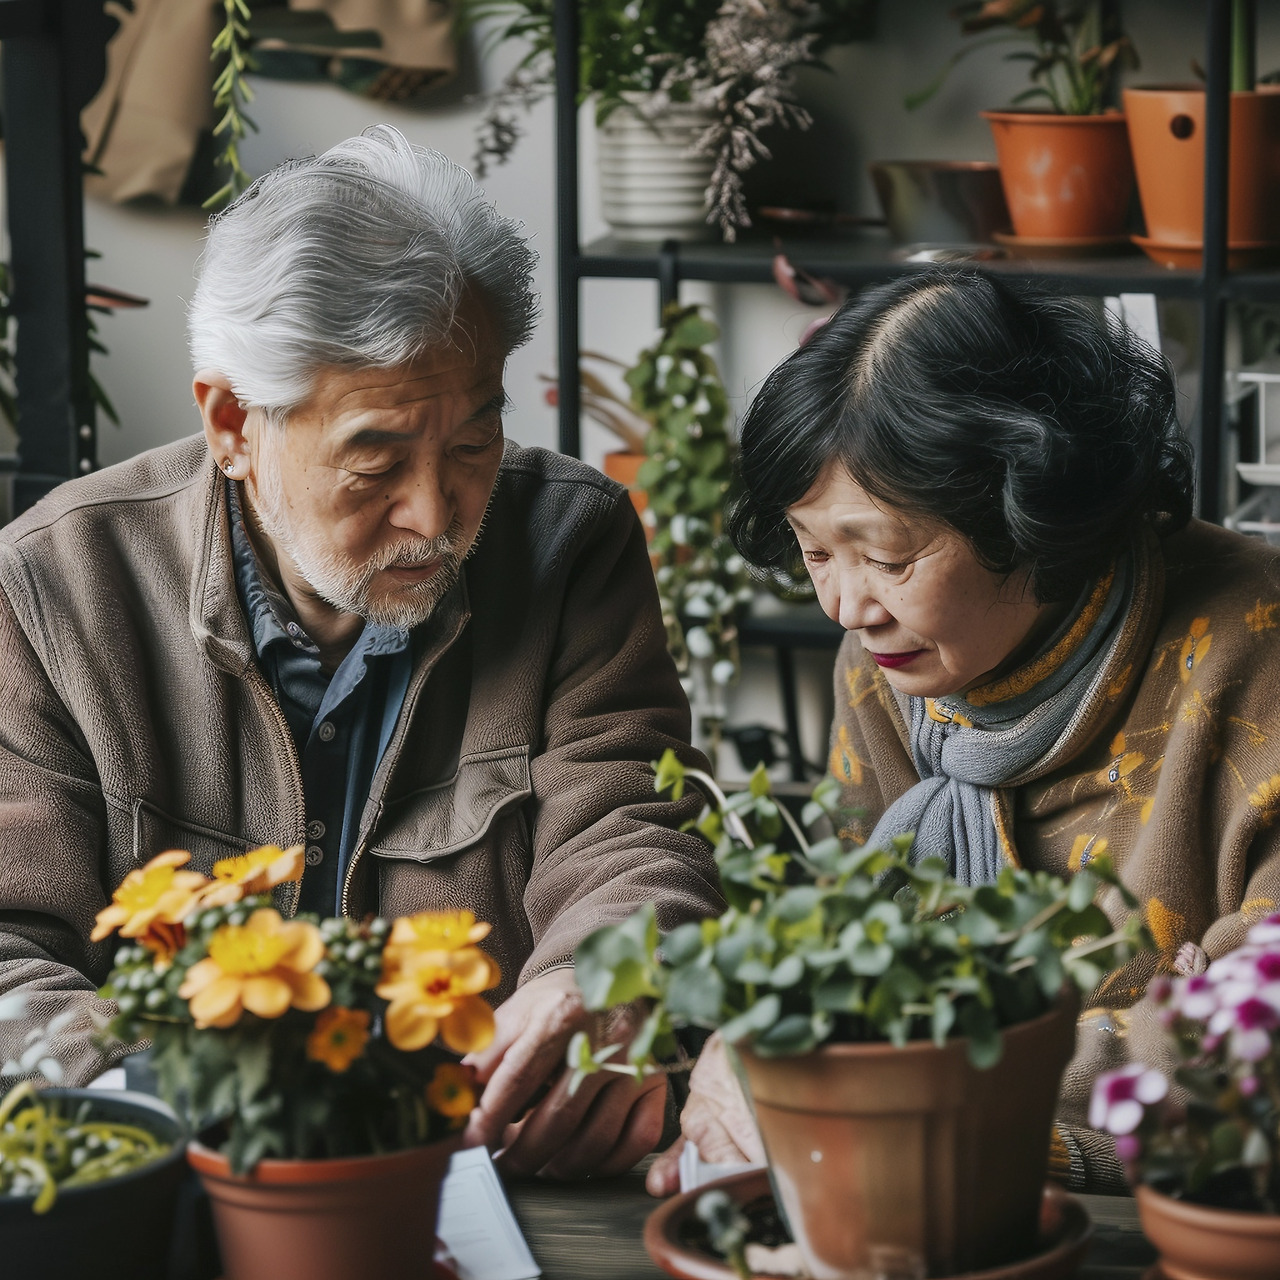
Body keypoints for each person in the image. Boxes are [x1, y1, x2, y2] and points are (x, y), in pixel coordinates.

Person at [0, 125, 722, 1179]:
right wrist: (211, 1109)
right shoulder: (55, 585)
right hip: (179, 1183)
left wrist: (604, 980)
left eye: (472, 443)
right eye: (375, 460)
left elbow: (626, 823)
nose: (435, 513)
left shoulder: (571, 542)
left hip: (502, 1166)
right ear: (233, 424)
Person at [648, 268, 1280, 1195]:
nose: (846, 606)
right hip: (904, 1177)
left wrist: (890, 1085)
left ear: (1029, 519)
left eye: (889, 557)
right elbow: (847, 957)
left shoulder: (1256, 645)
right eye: (816, 552)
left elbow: (1243, 1045)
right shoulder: (886, 659)